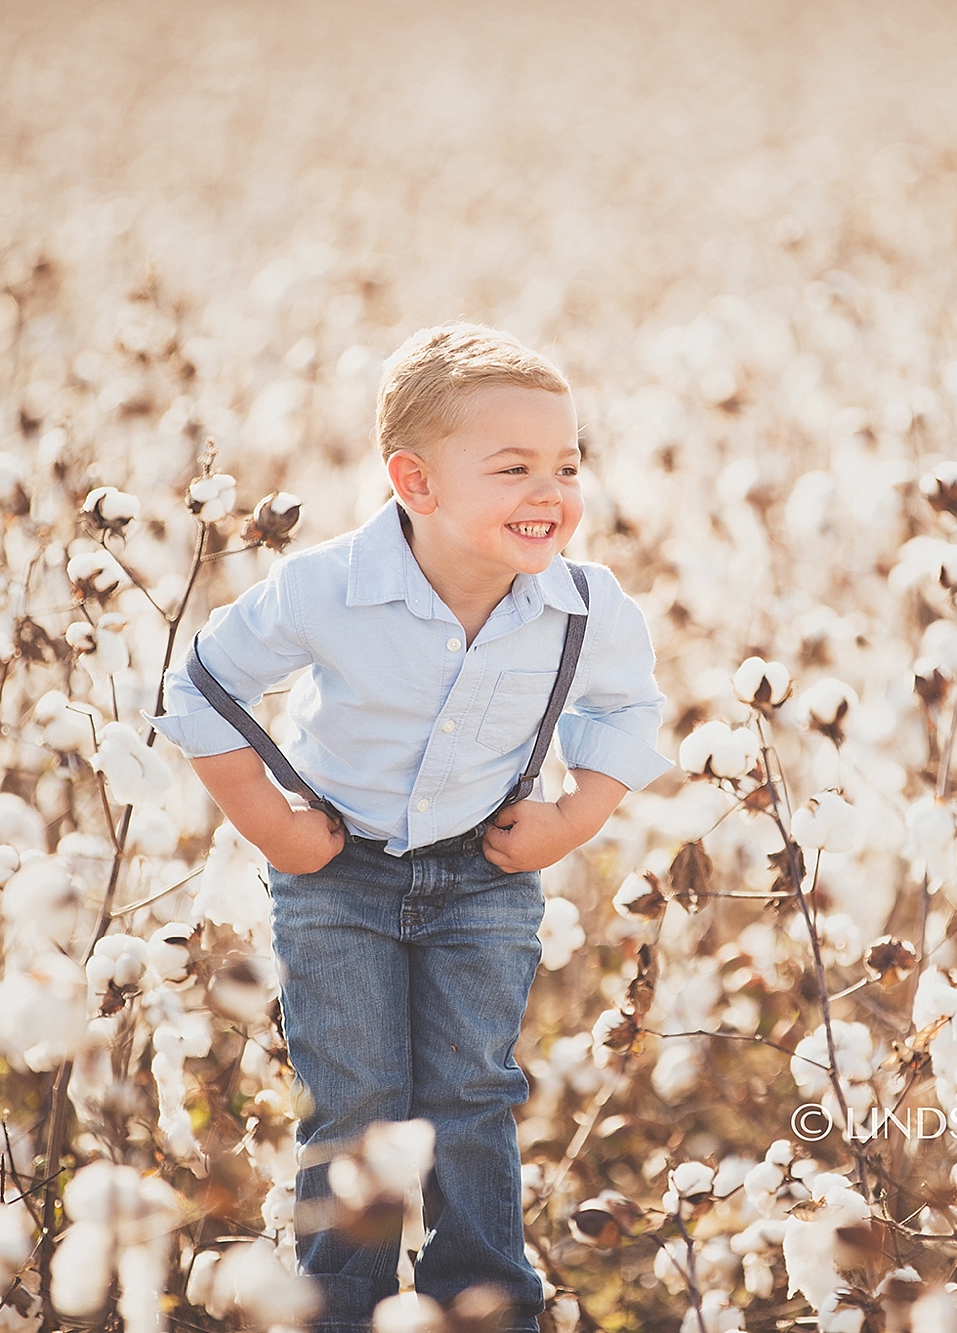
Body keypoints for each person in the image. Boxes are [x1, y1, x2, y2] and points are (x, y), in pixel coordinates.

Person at [151, 323, 671, 1330]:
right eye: (513, 466)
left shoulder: (583, 605)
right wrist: (273, 827)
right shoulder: (325, 586)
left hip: (483, 878)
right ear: (415, 483)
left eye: (566, 465)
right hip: (337, 877)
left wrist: (572, 817)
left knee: (471, 1094)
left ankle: (482, 1304)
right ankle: (334, 1304)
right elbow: (205, 688)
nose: (549, 491)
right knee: (353, 1100)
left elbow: (626, 712)